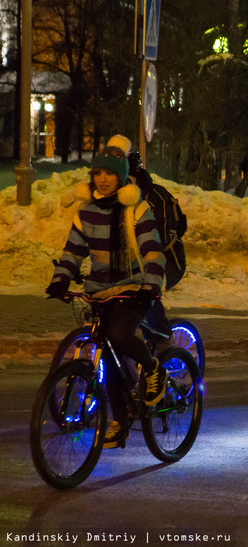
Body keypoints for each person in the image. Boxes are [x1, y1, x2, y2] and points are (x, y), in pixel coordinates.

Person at [45, 145, 167, 449]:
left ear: (121, 177)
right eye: (97, 172)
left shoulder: (136, 209)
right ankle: (120, 419)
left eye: (110, 173)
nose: (102, 179)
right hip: (101, 291)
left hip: (136, 288)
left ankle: (154, 370)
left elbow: (153, 251)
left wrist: (152, 283)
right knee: (109, 359)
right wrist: (60, 279)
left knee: (119, 334)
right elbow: (73, 251)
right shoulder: (85, 211)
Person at [107, 135, 174, 350]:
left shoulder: (150, 197)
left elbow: (156, 239)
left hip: (158, 256)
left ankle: (162, 338)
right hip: (128, 260)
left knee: (146, 294)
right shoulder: (110, 193)